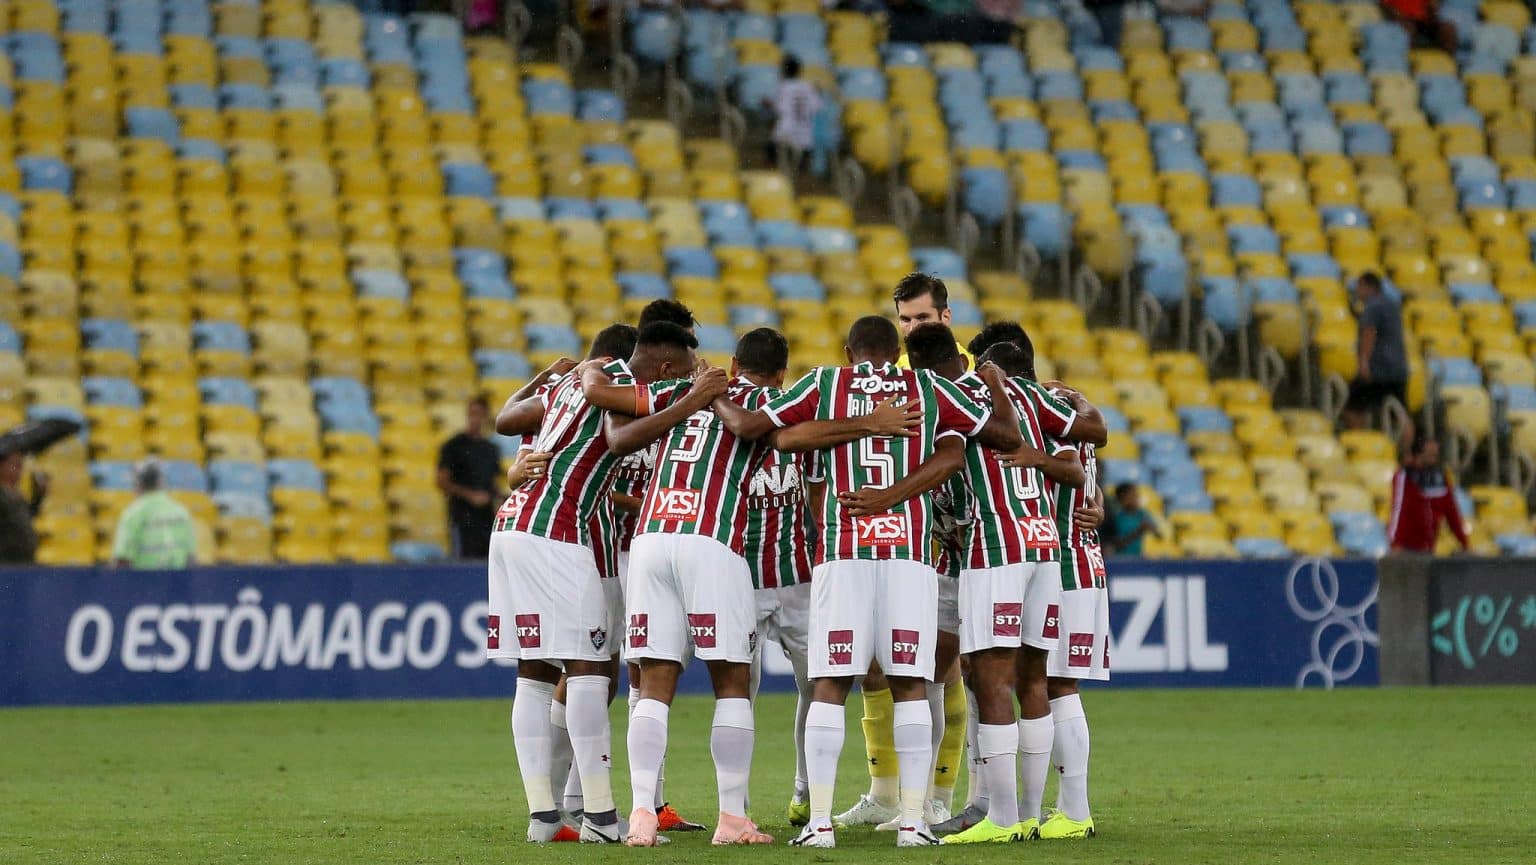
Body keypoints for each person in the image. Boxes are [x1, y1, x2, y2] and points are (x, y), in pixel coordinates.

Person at [581, 327, 918, 846]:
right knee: (733, 683)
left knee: (653, 682)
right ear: (781, 372)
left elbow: (611, 409)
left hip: (650, 538)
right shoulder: (772, 400)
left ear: (734, 362)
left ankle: (643, 813)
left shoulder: (680, 391)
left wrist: (588, 371)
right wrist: (870, 423)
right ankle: (733, 818)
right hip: (711, 542)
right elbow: (784, 436)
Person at [711, 314, 1025, 848]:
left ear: (848, 350)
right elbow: (999, 437)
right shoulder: (929, 387)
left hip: (843, 554)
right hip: (911, 555)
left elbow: (778, 437)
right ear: (896, 349)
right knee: (910, 682)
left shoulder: (823, 383)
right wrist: (901, 467)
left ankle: (820, 824)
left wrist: (860, 435)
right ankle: (913, 822)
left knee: (832, 683)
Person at [491, 321, 718, 844]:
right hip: (556, 530)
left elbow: (512, 421)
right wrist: (695, 396)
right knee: (592, 667)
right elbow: (621, 438)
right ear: (663, 369)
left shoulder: (576, 379)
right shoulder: (611, 383)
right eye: (682, 372)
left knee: (537, 671)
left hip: (514, 524)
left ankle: (544, 817)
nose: (685, 379)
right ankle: (598, 816)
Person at [903, 326, 1100, 844]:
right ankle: (1032, 815)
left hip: (997, 546)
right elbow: (1087, 445)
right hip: (1044, 545)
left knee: (990, 678)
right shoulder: (1035, 395)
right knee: (1035, 676)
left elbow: (947, 461)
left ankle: (1002, 818)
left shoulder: (956, 396)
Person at [838, 275, 977, 833]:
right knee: (879, 669)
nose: (913, 328)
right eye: (905, 320)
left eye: (922, 318)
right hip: (907, 545)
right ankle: (885, 793)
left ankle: (937, 797)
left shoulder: (961, 371)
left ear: (945, 318)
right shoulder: (892, 379)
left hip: (961, 550)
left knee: (943, 672)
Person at [437, 396, 502, 559]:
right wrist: (470, 496)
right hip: (462, 517)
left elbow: (492, 482)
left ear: (486, 417)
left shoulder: (491, 449)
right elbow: (442, 481)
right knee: (464, 562)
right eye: (472, 414)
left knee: (486, 563)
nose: (475, 419)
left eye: (479, 414)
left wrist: (499, 497)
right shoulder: (453, 445)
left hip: (486, 518)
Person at [1344, 272, 1409, 431]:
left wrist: (1364, 363)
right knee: (1400, 414)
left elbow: (1369, 333)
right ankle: (1407, 454)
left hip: (1378, 369)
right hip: (1398, 369)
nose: (1356, 293)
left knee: (1353, 408)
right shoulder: (1392, 304)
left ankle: (1361, 442)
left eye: (1358, 288)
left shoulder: (1372, 306)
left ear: (1367, 287)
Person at [1388, 434, 1469, 554]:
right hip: (1405, 547)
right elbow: (1398, 510)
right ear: (1419, 454)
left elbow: (1452, 513)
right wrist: (1395, 542)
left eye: (1435, 454)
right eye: (1430, 454)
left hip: (1428, 547)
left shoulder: (1440, 478)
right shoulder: (1405, 475)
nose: (1434, 458)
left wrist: (1464, 544)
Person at [112, 460, 197, 569]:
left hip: (143, 583)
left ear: (138, 484)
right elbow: (190, 559)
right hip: (176, 583)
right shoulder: (182, 512)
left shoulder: (132, 514)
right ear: (161, 482)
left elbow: (122, 560)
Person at [766, 56, 822, 177]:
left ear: (784, 70)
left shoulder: (784, 86)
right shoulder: (808, 86)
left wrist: (768, 104)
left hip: (785, 136)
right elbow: (817, 107)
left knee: (774, 169)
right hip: (805, 139)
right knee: (800, 176)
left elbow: (780, 109)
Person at [0, 445, 43, 564]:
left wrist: (38, 497)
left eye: (20, 466)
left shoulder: (18, 494)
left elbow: (27, 516)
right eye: (14, 465)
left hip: (25, 560)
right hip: (6, 561)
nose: (19, 470)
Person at [1105, 482, 1160, 556]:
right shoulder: (1116, 517)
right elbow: (1116, 544)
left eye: (1137, 495)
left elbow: (1159, 535)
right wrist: (1139, 531)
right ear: (1122, 497)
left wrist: (1153, 528)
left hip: (1138, 558)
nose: (1136, 498)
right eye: (1133, 495)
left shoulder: (1142, 514)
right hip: (1119, 560)